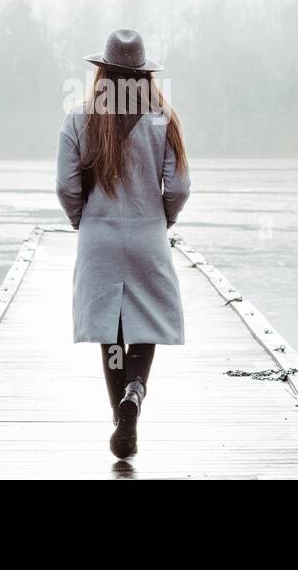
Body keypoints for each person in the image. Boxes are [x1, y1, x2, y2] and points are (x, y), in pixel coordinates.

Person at [55, 28, 190, 459]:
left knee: (109, 331)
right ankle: (135, 392)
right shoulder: (164, 120)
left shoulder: (79, 119)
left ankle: (121, 415)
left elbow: (65, 185)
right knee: (147, 322)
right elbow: (180, 186)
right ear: (144, 76)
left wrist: (83, 220)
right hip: (148, 235)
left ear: (102, 74)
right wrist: (162, 218)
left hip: (99, 238)